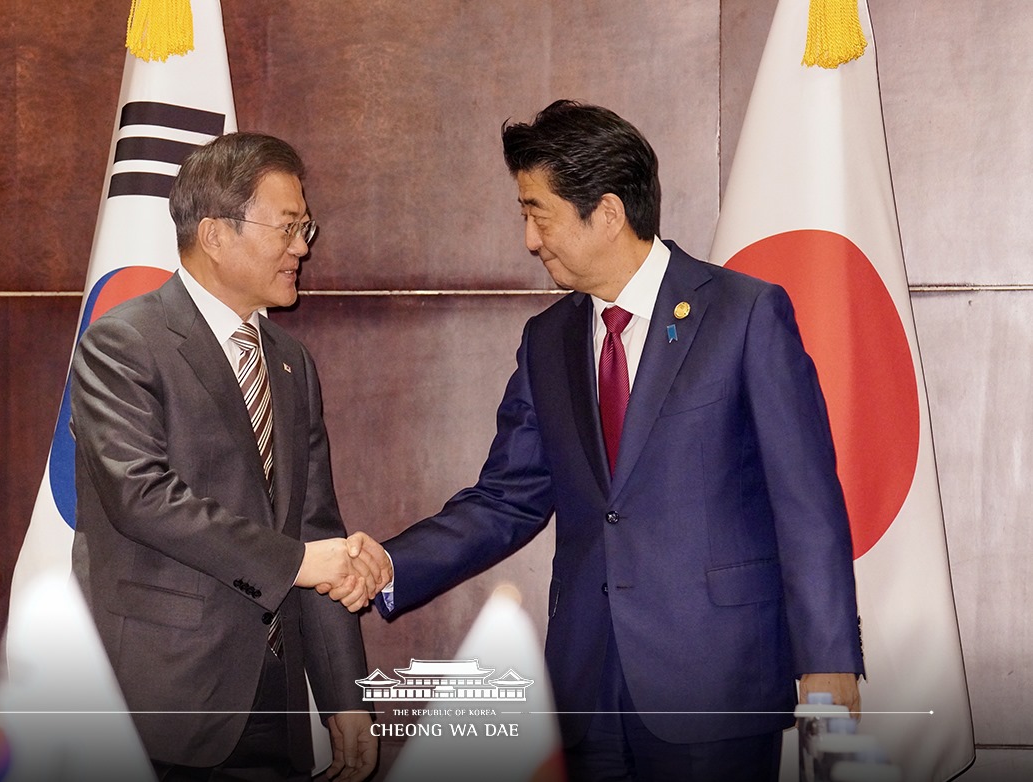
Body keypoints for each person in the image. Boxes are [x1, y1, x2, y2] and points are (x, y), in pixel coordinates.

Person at [369, 100, 864, 780]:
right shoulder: (547, 340)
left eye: (536, 212)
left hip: (713, 680)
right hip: (585, 685)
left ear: (605, 213)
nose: (529, 239)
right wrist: (388, 566)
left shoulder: (744, 314)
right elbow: (506, 499)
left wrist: (828, 660)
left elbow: (806, 499)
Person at [70, 131, 387, 782]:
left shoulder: (292, 364)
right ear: (215, 234)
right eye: (289, 227)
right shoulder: (122, 345)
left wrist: (344, 699)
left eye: (307, 227)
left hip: (277, 701)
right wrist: (300, 562)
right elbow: (143, 500)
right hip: (164, 702)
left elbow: (315, 528)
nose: (303, 247)